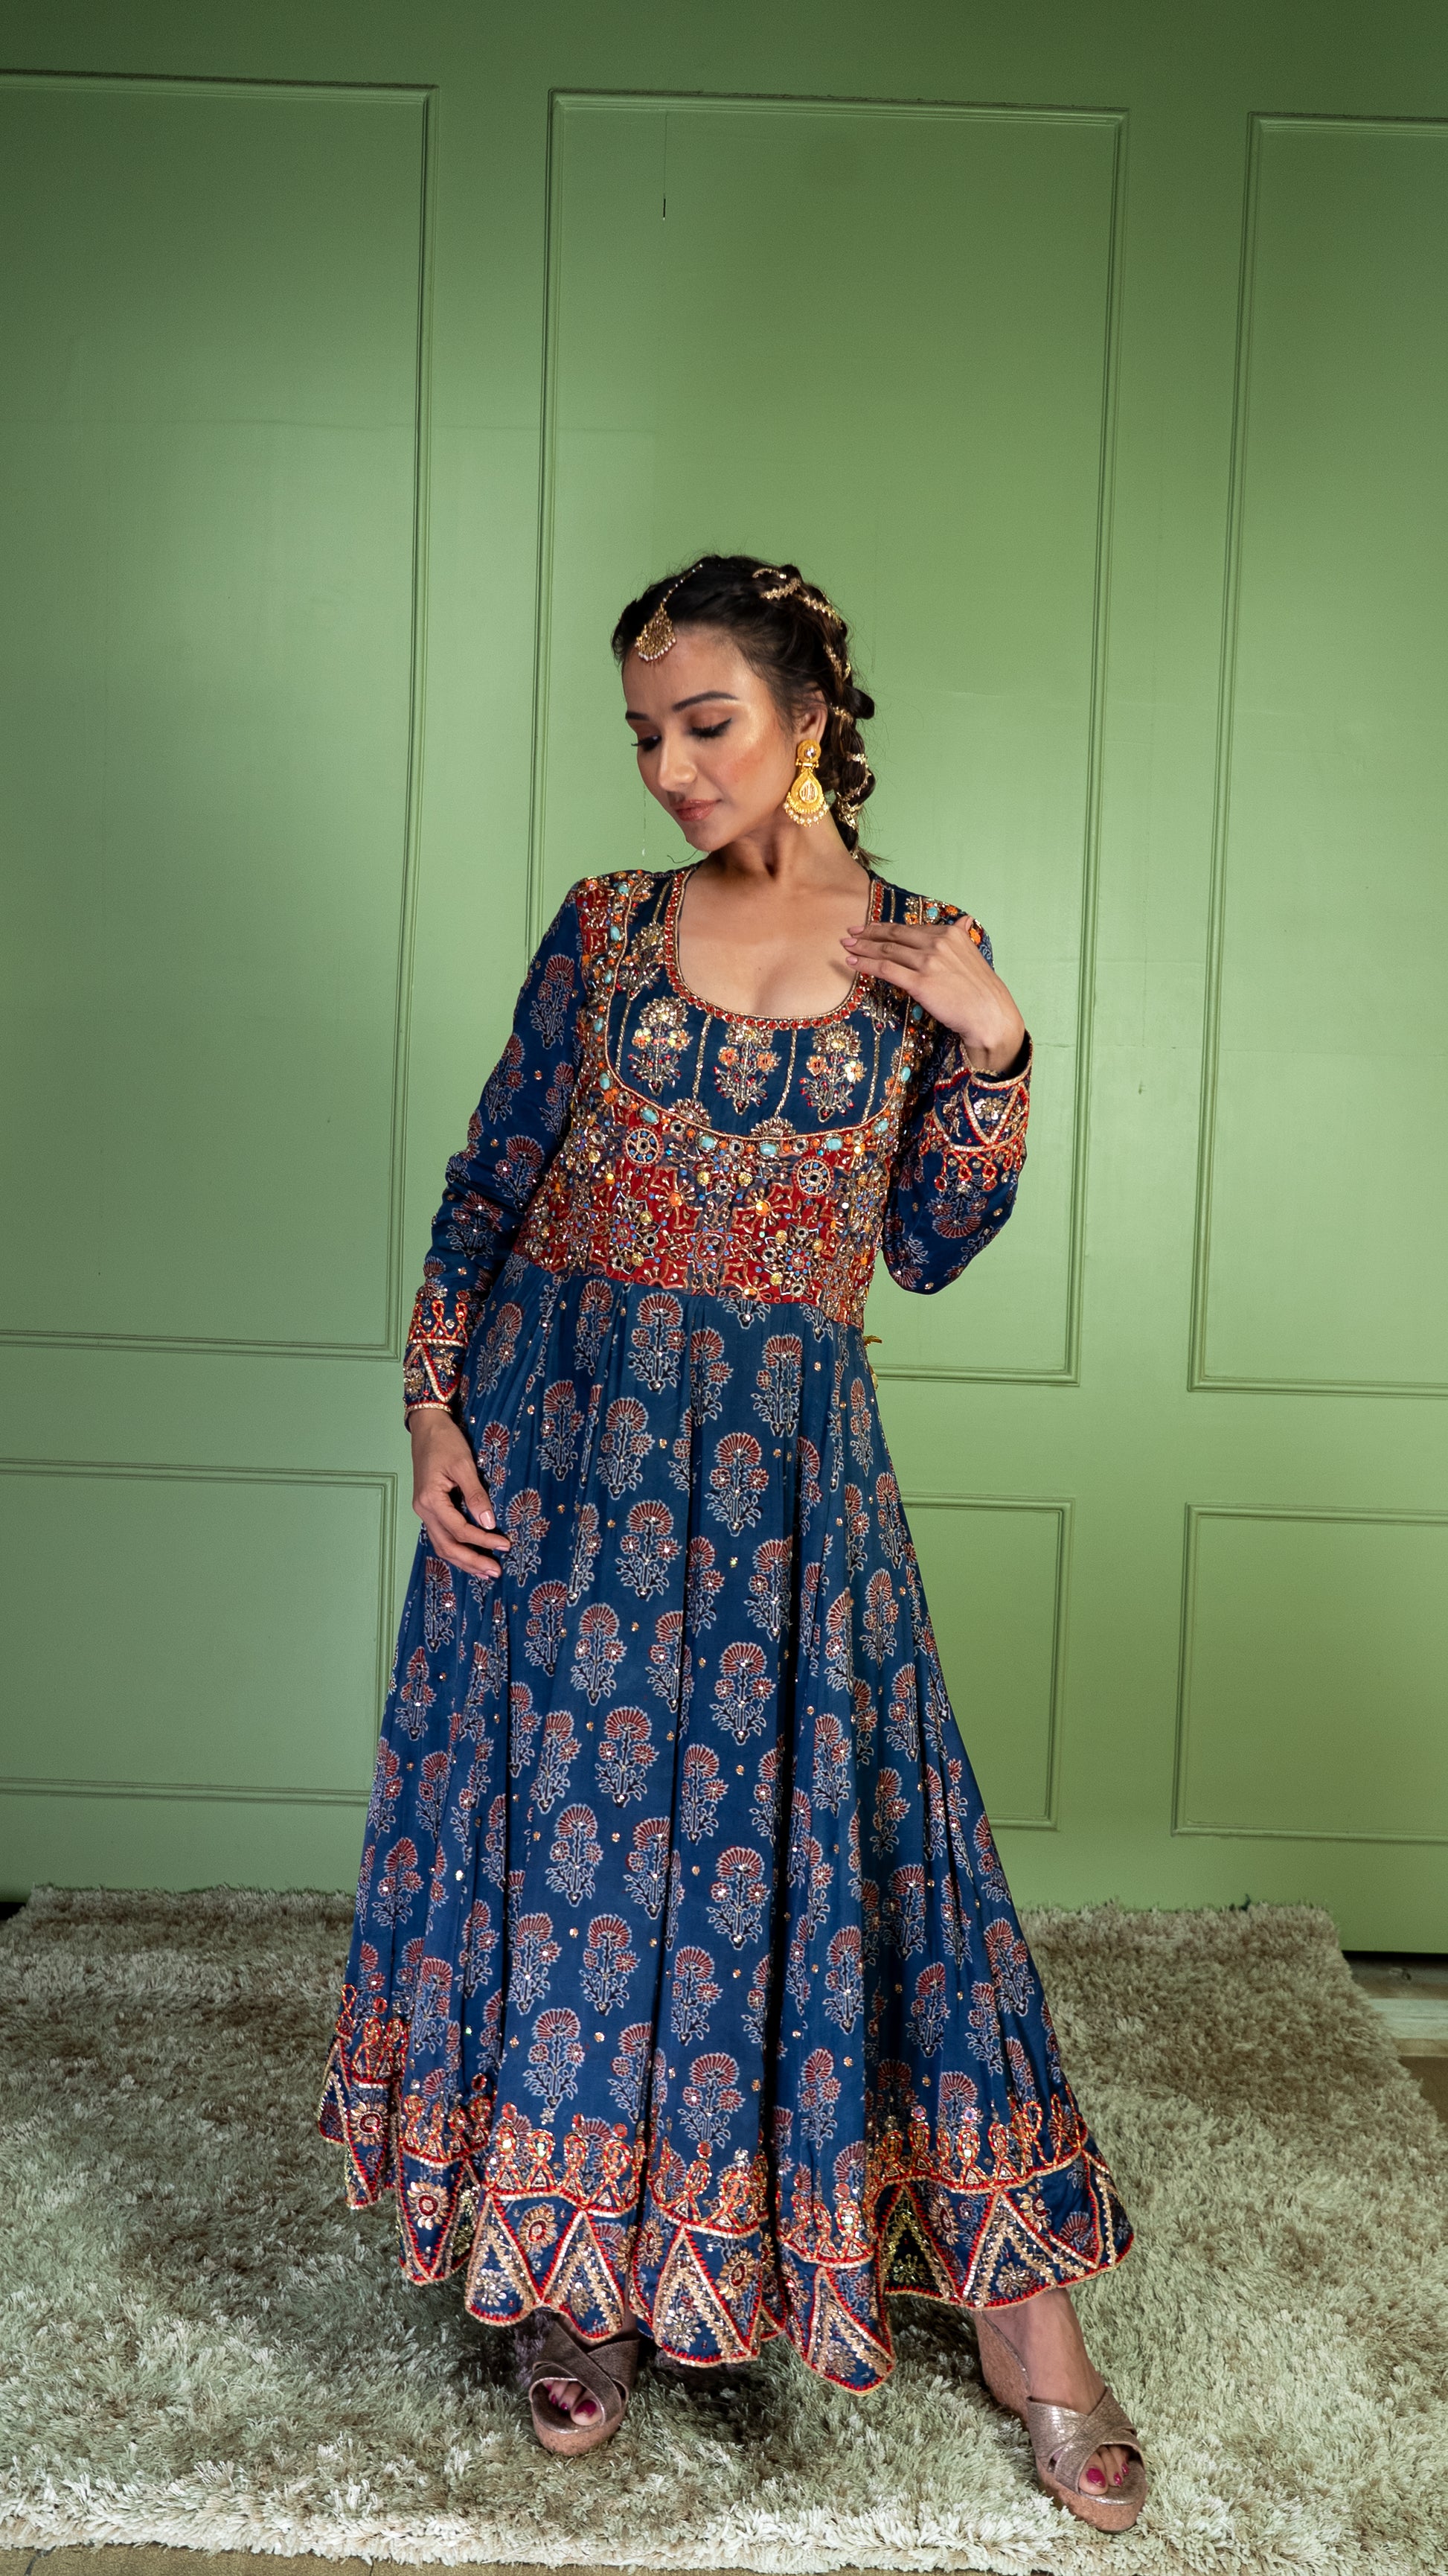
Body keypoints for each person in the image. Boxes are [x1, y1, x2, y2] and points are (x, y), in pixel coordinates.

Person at [319, 554, 1145, 2528]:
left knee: (870, 1854)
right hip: (556, 1442)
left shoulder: (926, 953)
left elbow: (926, 1249)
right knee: (569, 1857)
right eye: (644, 736)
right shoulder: (606, 929)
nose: (673, 770)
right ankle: (575, 2280)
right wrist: (431, 1403)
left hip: (783, 1476)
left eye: (706, 724)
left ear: (806, 717)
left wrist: (996, 1053)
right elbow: (493, 1174)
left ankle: (1032, 2329)